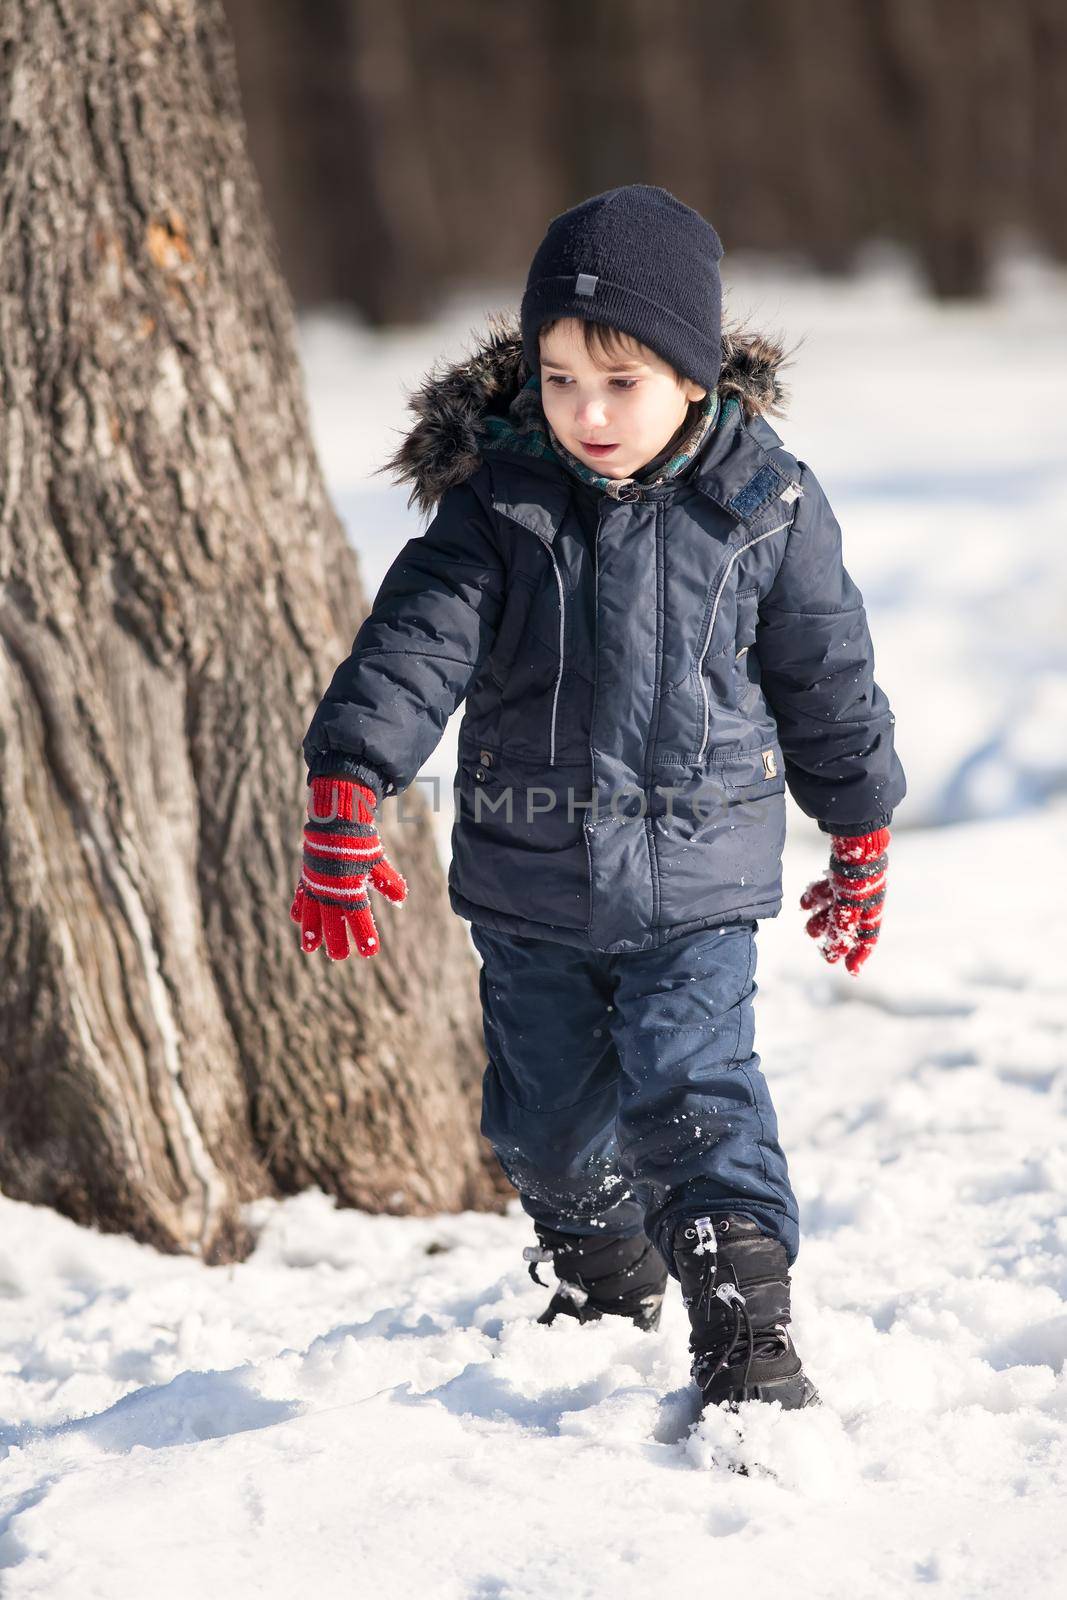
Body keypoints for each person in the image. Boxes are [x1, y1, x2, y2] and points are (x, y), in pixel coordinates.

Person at [292, 185, 906, 1412]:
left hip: (692, 883)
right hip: (528, 887)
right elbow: (416, 643)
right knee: (543, 1128)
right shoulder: (498, 502)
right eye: (560, 376)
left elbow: (826, 675)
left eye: (619, 380)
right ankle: (597, 1266)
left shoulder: (764, 502)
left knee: (694, 1092)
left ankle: (746, 1334)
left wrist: (858, 830)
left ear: (690, 371)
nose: (584, 410)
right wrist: (349, 782)